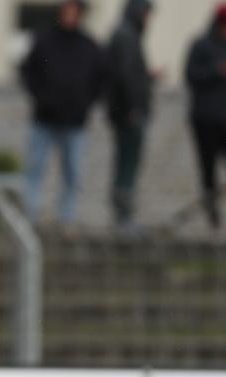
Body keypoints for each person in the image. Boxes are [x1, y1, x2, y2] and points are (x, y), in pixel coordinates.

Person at [20, 0, 106, 224]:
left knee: (73, 173)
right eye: (66, 12)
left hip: (75, 121)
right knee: (36, 168)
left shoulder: (88, 45)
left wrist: (85, 103)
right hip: (45, 118)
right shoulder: (44, 41)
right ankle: (31, 216)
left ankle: (66, 218)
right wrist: (41, 97)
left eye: (74, 12)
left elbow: (100, 80)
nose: (70, 17)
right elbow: (28, 72)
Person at [107, 0, 156, 232]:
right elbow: (125, 76)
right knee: (127, 165)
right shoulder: (126, 36)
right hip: (129, 114)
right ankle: (123, 217)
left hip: (127, 111)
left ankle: (123, 215)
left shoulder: (127, 35)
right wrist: (133, 108)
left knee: (126, 163)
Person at [185, 3, 226, 230]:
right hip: (205, 121)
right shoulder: (201, 45)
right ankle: (213, 218)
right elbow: (190, 75)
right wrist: (216, 71)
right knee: (208, 171)